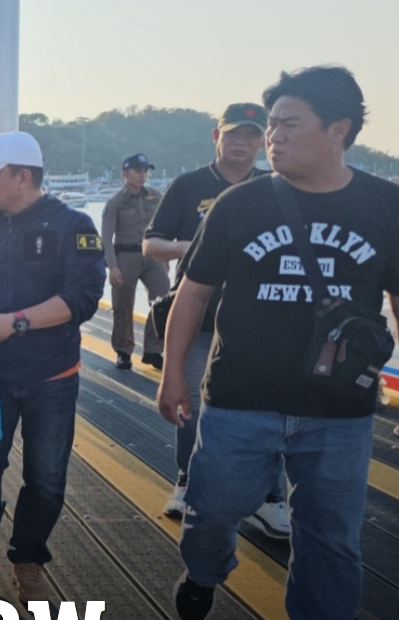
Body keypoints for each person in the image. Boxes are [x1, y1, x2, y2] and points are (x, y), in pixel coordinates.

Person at [157, 66, 396, 620]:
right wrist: (173, 373)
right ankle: (206, 571)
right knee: (211, 511)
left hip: (340, 409)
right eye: (271, 126)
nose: (273, 138)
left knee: (330, 539)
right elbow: (193, 292)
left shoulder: (385, 205)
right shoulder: (241, 204)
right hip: (240, 398)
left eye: (289, 124)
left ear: (338, 129)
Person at [0, 131, 106, 604]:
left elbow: (83, 297)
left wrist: (16, 322)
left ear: (23, 177)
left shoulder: (73, 226)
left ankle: (28, 557)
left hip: (52, 376)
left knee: (46, 476)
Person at [142, 103, 289, 537]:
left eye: (251, 134)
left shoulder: (276, 187)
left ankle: (270, 496)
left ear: (262, 140)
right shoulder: (189, 186)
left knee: (270, 409)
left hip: (262, 323)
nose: (242, 142)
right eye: (233, 133)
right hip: (200, 317)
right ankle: (188, 481)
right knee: (190, 404)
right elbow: (151, 245)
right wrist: (197, 247)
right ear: (216, 136)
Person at [103, 154, 170, 370]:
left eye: (145, 171)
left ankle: (153, 349)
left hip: (152, 256)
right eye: (138, 171)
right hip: (126, 256)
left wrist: (165, 255)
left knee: (163, 298)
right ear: (125, 174)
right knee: (122, 305)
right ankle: (123, 351)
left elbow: (163, 227)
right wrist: (113, 266)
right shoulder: (115, 202)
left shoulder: (155, 196)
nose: (143, 175)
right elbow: (106, 237)